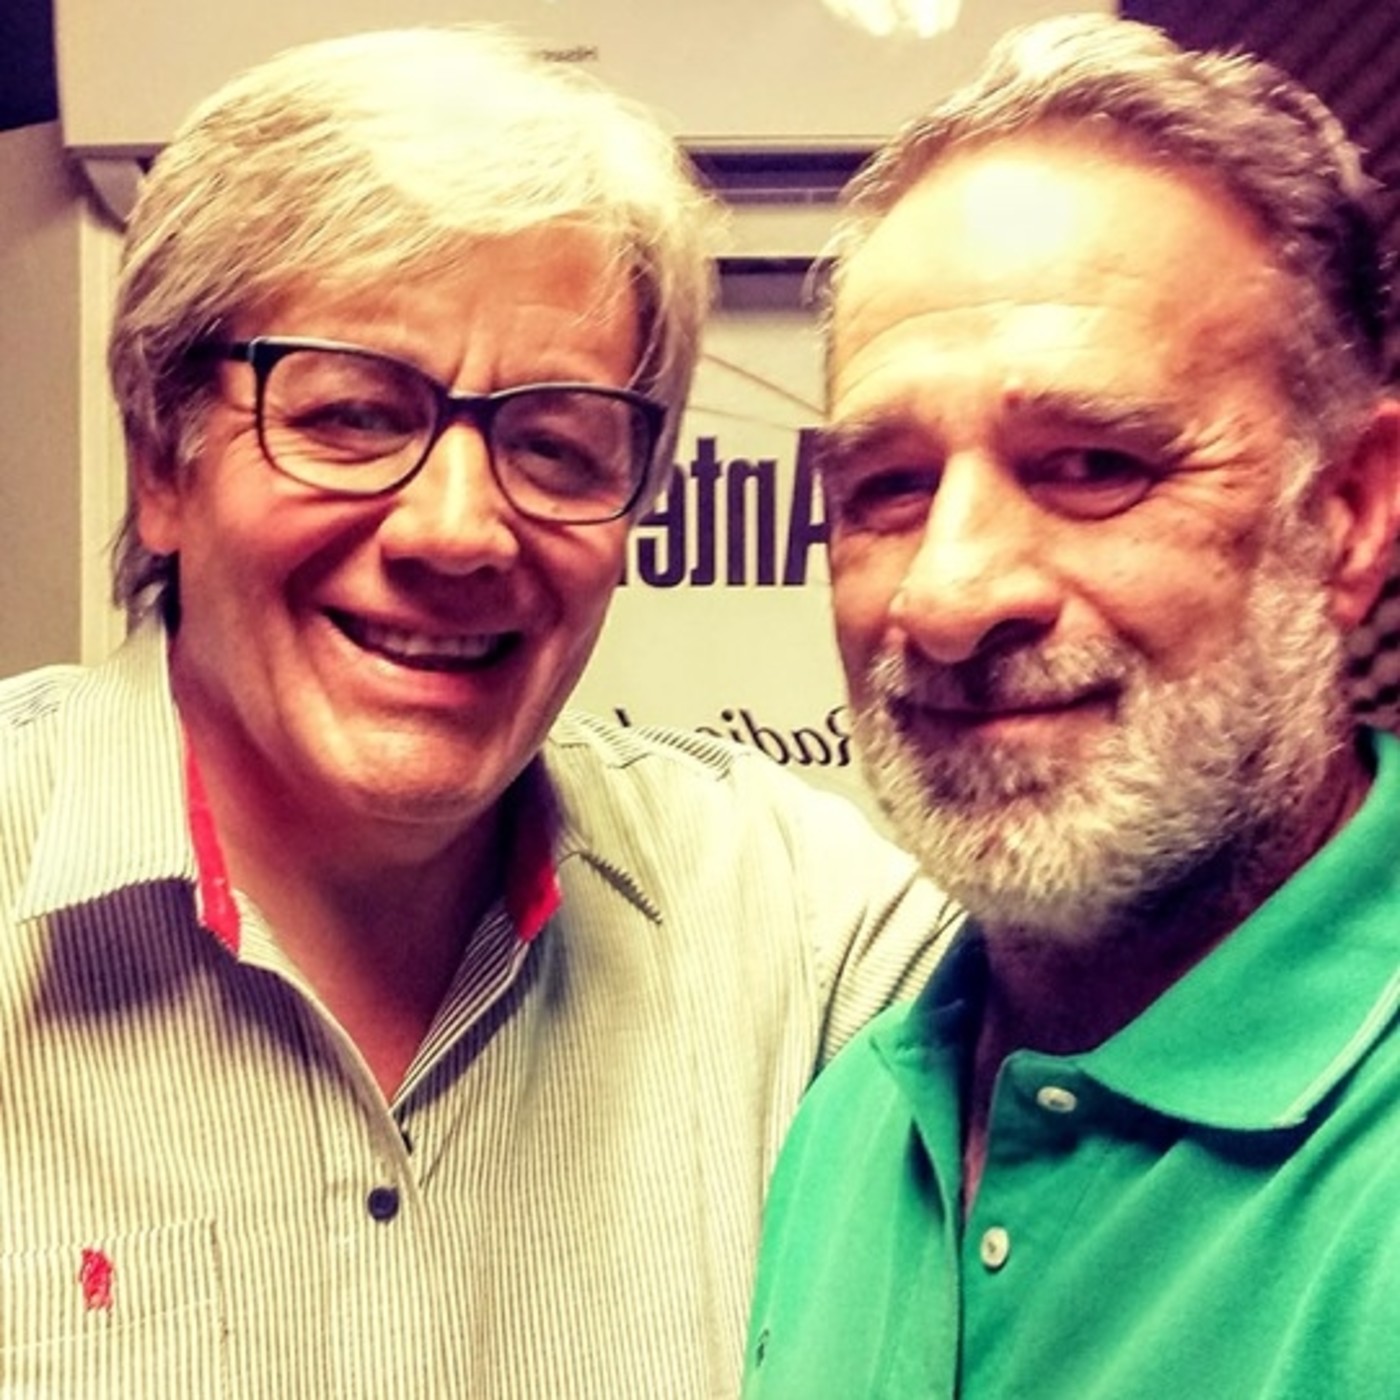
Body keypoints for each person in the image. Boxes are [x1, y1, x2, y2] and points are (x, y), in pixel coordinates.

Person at [0, 27, 957, 1398]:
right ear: (163, 459)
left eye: (555, 443)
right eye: (350, 416)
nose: (458, 530)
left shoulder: (798, 930)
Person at [744, 14, 1400, 1399]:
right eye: (887, 489)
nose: (946, 594)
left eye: (1095, 464)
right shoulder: (859, 1118)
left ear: (1346, 514)